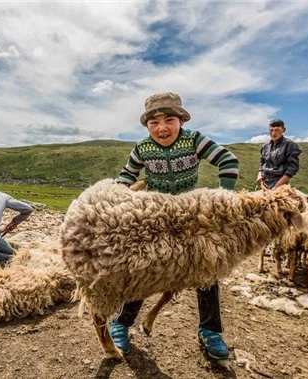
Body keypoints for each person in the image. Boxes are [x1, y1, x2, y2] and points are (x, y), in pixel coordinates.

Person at [114, 91, 239, 361]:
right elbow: (126, 174)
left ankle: (210, 331)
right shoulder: (142, 148)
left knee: (206, 269)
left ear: (181, 120)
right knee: (143, 267)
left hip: (189, 216)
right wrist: (119, 196)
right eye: (153, 123)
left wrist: (222, 200)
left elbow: (228, 161)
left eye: (169, 119)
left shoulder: (194, 140)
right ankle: (121, 323)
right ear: (147, 126)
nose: (161, 128)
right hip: (155, 217)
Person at [256, 119, 301, 190]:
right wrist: (260, 180)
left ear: (283, 130)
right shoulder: (265, 146)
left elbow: (293, 168)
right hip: (264, 183)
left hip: (280, 185)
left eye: (277, 130)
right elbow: (262, 164)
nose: (273, 133)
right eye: (271, 130)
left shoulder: (290, 145)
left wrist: (277, 186)